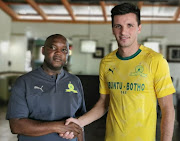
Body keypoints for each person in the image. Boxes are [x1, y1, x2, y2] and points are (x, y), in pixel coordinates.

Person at [61, 3, 175, 141]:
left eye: (129, 25)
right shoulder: (106, 62)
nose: (123, 32)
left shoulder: (155, 61)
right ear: (113, 29)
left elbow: (167, 109)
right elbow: (104, 103)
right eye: (118, 26)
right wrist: (79, 122)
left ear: (139, 28)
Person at [6, 34, 86, 141]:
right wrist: (59, 126)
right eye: (53, 48)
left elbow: (79, 123)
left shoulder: (75, 81)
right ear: (43, 51)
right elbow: (16, 125)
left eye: (63, 50)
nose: (58, 53)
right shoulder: (24, 82)